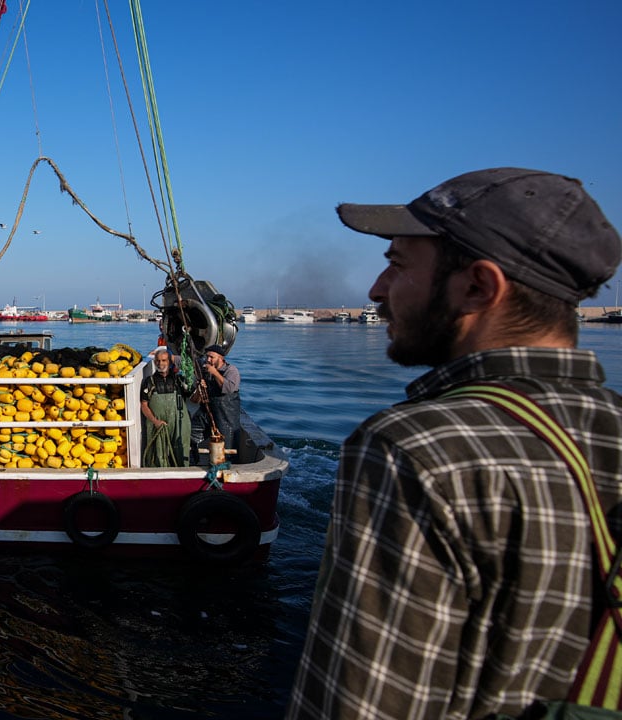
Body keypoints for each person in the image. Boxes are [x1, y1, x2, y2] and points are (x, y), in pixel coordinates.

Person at [289, 168, 622, 720]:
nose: (376, 290)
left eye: (397, 264)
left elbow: (361, 703)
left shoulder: (414, 448)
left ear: (478, 287)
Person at [140, 347, 192, 467]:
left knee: (180, 450)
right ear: (154, 362)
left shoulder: (178, 380)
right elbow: (144, 405)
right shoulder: (149, 381)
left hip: (177, 421)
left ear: (169, 362)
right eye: (158, 361)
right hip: (158, 425)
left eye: (164, 360)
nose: (161, 363)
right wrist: (155, 421)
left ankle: (182, 472)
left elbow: (194, 398)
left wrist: (200, 390)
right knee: (158, 454)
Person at [201, 344, 241, 449]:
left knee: (227, 443)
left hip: (227, 415)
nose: (208, 360)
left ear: (221, 358)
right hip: (209, 412)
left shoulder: (231, 371)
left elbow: (229, 388)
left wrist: (215, 373)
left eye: (212, 357)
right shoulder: (206, 369)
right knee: (193, 431)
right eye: (207, 356)